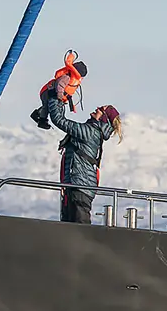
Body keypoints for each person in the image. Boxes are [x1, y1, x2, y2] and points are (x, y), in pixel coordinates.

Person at [44, 95, 122, 223]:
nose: (97, 108)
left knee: (80, 227)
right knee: (72, 228)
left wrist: (54, 96)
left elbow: (59, 120)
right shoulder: (93, 132)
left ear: (104, 118)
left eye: (101, 109)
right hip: (78, 186)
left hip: (79, 186)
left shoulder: (89, 132)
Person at [30, 51, 87, 130]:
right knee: (46, 106)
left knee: (47, 106)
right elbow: (60, 84)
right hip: (48, 92)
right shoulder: (67, 77)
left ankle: (36, 114)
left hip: (52, 93)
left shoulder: (73, 79)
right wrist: (60, 94)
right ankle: (42, 121)